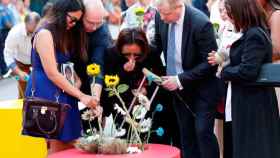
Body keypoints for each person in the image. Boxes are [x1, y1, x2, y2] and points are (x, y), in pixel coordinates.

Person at [208, 0, 280, 157]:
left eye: (230, 12)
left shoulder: (254, 34)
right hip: (249, 99)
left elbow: (248, 70)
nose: (229, 17)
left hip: (254, 102)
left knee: (254, 148)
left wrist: (225, 72)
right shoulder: (250, 32)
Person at [25, 0, 97, 154]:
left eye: (77, 21)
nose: (73, 24)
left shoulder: (60, 32)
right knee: (59, 144)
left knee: (70, 143)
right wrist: (81, 95)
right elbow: (52, 72)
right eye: (72, 19)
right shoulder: (45, 33)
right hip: (49, 91)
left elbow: (63, 63)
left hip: (63, 90)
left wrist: (75, 78)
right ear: (60, 13)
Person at [152, 0, 219, 157]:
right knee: (186, 136)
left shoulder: (200, 23)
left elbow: (210, 64)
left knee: (203, 132)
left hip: (202, 88)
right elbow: (157, 46)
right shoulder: (160, 15)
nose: (161, 17)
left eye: (165, 14)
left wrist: (180, 79)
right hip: (178, 91)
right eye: (160, 13)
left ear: (179, 6)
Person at [4, 11, 40, 98]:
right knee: (24, 91)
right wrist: (18, 71)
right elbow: (8, 53)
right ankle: (24, 109)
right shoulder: (14, 33)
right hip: (21, 64)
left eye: (36, 29)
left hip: (38, 61)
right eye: (30, 31)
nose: (33, 33)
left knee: (40, 89)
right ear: (25, 23)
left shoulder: (42, 30)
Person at [257, 0, 280, 114]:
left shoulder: (276, 15)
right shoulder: (260, 14)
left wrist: (254, 56)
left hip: (274, 77)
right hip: (263, 76)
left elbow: (276, 50)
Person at [0, 0, 16, 78]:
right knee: (4, 50)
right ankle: (5, 70)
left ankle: (7, 69)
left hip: (7, 31)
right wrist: (14, 28)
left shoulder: (7, 8)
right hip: (3, 32)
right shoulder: (2, 9)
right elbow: (6, 23)